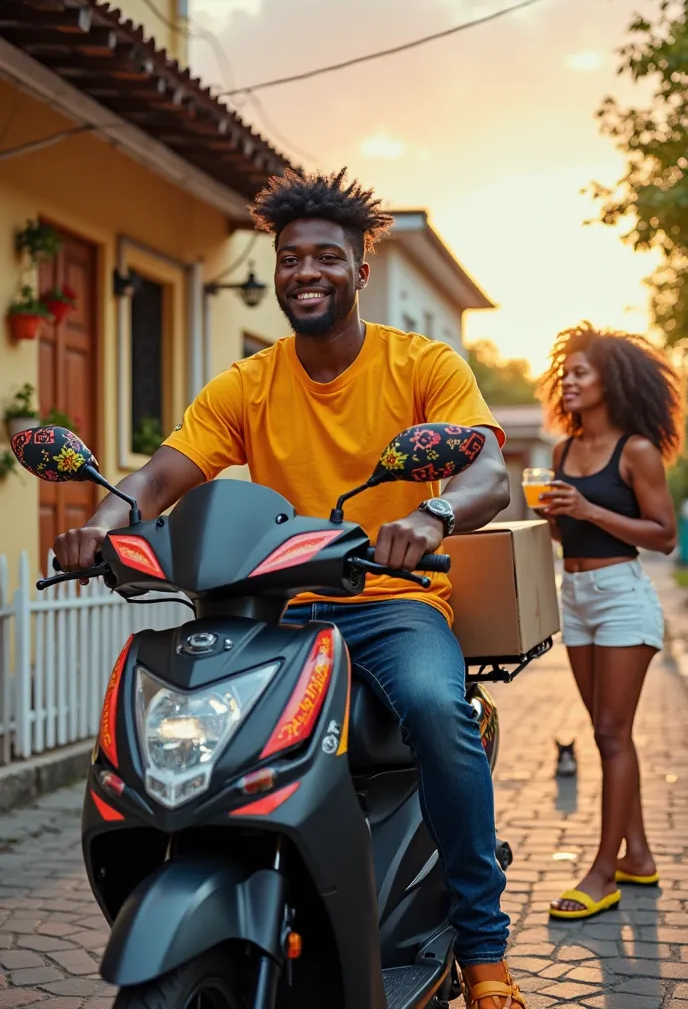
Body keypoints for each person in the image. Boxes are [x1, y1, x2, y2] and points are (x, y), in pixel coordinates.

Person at [55, 167, 526, 1008]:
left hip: (390, 606)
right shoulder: (251, 380)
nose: (305, 272)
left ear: (360, 272)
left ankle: (485, 952)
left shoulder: (419, 364)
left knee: (436, 710)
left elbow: (489, 467)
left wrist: (435, 514)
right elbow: (162, 474)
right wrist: (106, 522)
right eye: (290, 259)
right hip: (280, 611)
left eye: (325, 258)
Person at [538, 323, 684, 921]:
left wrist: (589, 506)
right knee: (605, 730)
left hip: (623, 596)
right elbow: (563, 533)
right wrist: (555, 515)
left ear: (611, 382)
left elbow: (666, 537)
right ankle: (640, 855)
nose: (567, 381)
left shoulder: (638, 450)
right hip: (574, 595)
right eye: (564, 372)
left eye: (581, 373)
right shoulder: (561, 452)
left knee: (610, 733)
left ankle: (603, 873)